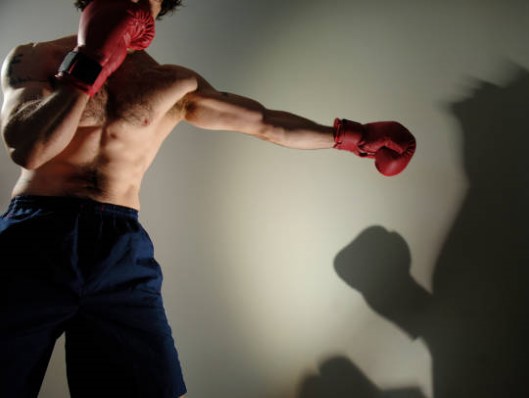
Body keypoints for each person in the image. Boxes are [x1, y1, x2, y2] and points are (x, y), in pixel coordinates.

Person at [0, 0, 416, 396]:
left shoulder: (172, 83)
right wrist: (89, 61)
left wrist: (354, 138)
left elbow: (266, 122)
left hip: (119, 249)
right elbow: (29, 148)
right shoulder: (37, 59)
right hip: (34, 233)